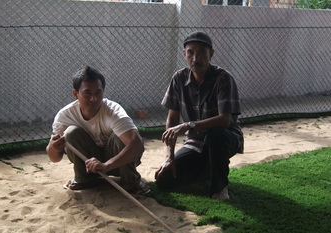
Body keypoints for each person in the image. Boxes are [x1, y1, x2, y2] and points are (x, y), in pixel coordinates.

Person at [154, 31, 244, 200]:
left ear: (211, 54)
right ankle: (208, 169)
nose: (196, 58)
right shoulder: (178, 78)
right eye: (191, 52)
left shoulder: (223, 79)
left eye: (202, 52)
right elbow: (172, 119)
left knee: (216, 134)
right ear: (184, 54)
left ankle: (220, 187)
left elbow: (226, 120)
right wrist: (169, 157)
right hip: (195, 143)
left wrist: (189, 125)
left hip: (226, 138)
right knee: (164, 179)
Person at [46, 66, 150, 194]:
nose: (93, 99)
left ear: (103, 92)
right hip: (89, 166)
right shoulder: (65, 116)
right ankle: (84, 179)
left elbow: (137, 145)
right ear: (75, 94)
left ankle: (131, 182)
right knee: (71, 133)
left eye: (98, 93)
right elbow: (54, 158)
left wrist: (106, 166)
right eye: (87, 93)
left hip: (117, 163)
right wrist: (54, 148)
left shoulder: (114, 111)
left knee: (122, 136)